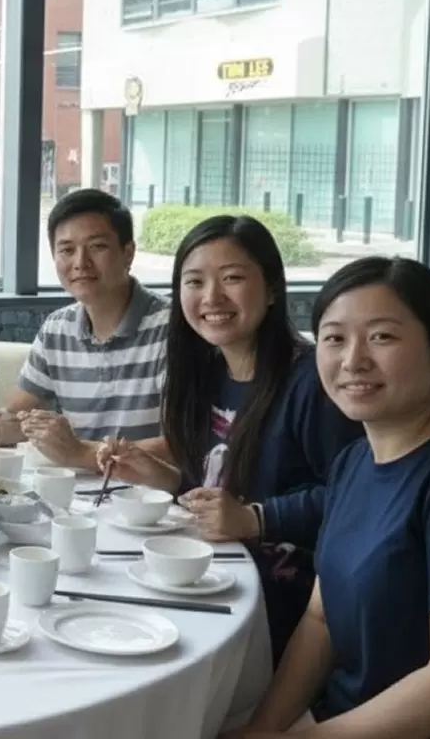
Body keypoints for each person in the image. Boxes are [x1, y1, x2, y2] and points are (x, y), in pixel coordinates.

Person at [229, 257, 430, 739]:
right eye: (334, 338)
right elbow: (322, 617)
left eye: (382, 336)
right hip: (348, 716)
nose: (353, 360)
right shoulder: (356, 461)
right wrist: (264, 727)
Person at [96, 215, 362, 663]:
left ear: (273, 289)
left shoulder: (311, 382)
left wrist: (256, 518)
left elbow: (356, 500)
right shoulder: (206, 374)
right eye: (194, 281)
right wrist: (163, 478)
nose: (212, 297)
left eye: (233, 278)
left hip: (291, 603)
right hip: (216, 569)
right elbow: (224, 499)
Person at [0, 188, 167, 467]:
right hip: (81, 493)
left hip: (151, 501)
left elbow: (183, 446)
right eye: (67, 250)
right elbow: (17, 417)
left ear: (128, 253)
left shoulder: (171, 329)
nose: (80, 263)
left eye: (97, 247)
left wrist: (81, 453)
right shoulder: (57, 330)